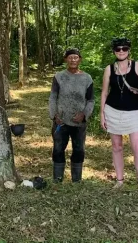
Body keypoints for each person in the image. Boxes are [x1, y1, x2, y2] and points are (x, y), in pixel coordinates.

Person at [100, 38, 138, 191]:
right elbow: (104, 92)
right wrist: (102, 113)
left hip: (133, 111)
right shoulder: (109, 69)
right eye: (118, 48)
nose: (121, 51)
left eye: (124, 48)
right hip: (112, 111)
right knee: (116, 146)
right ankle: (120, 180)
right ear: (114, 51)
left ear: (129, 50)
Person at [49, 48, 94, 183]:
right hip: (61, 121)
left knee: (79, 149)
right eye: (70, 57)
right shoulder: (59, 77)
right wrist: (54, 115)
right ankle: (57, 179)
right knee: (58, 148)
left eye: (76, 57)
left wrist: (84, 114)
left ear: (80, 59)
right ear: (66, 60)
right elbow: (53, 97)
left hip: (79, 123)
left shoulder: (87, 78)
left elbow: (91, 100)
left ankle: (76, 179)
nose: (73, 60)